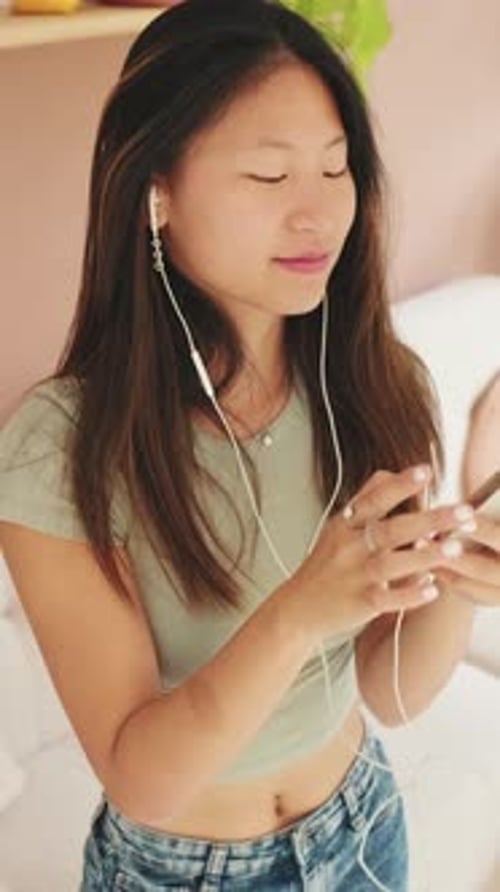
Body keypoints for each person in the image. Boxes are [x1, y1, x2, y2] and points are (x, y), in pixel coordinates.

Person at [0, 2, 498, 889]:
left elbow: (386, 691)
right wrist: (302, 608)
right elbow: (141, 779)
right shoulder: (60, 449)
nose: (318, 215)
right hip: (181, 870)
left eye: (336, 169)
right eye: (269, 177)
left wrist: (459, 580)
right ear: (156, 191)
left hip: (366, 826)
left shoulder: (380, 381)